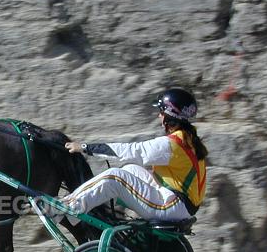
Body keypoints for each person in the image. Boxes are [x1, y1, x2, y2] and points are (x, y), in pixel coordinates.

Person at [62, 87, 207, 222]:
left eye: (161, 113)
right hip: (179, 202)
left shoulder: (171, 144)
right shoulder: (187, 138)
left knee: (114, 176)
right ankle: (97, 210)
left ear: (170, 117)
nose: (159, 116)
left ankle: (67, 208)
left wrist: (84, 147)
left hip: (173, 206)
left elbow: (130, 151)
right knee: (130, 169)